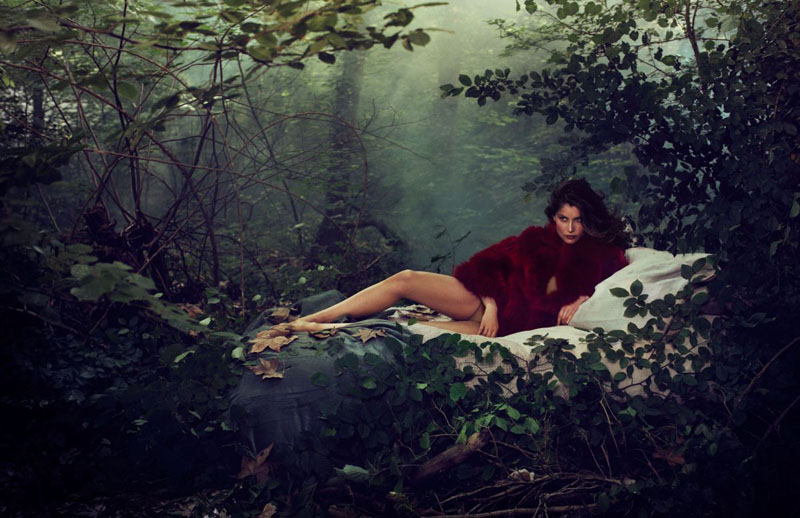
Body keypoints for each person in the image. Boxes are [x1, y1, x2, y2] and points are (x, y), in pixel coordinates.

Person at [290, 179, 628, 337]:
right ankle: (316, 318)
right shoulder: (534, 239)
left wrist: (585, 298)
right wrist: (491, 304)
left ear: (589, 219)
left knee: (403, 330)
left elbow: (615, 289)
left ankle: (326, 328)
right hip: (483, 305)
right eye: (563, 219)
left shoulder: (605, 255)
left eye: (578, 220)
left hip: (503, 328)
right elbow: (483, 265)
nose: (570, 228)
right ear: (553, 217)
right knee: (406, 278)